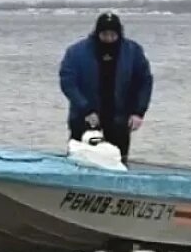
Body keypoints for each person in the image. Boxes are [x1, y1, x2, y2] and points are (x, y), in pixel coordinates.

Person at [59, 12, 153, 164]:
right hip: (85, 118)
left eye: (112, 35)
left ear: (119, 33)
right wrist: (86, 109)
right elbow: (68, 82)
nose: (109, 38)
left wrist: (138, 112)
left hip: (119, 119)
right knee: (79, 160)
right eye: (104, 34)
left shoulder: (133, 52)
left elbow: (144, 82)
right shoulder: (76, 52)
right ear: (97, 33)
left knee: (118, 162)